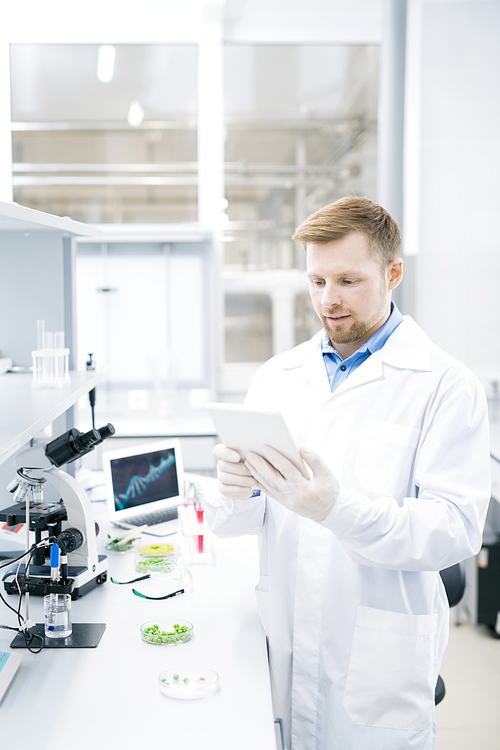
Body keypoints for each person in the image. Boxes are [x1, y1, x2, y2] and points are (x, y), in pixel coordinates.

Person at [204, 196, 491, 750]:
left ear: (393, 273)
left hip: (377, 655)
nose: (328, 300)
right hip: (287, 633)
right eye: (316, 281)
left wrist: (338, 510)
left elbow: (454, 530)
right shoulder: (278, 376)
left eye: (348, 280)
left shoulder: (444, 386)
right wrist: (236, 495)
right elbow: (248, 522)